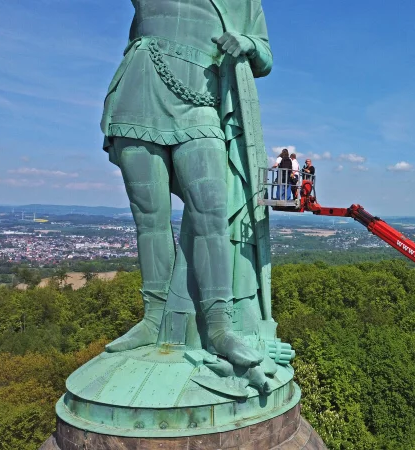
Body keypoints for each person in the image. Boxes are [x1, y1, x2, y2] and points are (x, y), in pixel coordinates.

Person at [100, 0, 279, 390]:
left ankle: (220, 328)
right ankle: (154, 318)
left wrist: (247, 43)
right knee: (149, 218)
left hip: (201, 104)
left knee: (211, 215)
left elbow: (265, 55)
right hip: (138, 94)